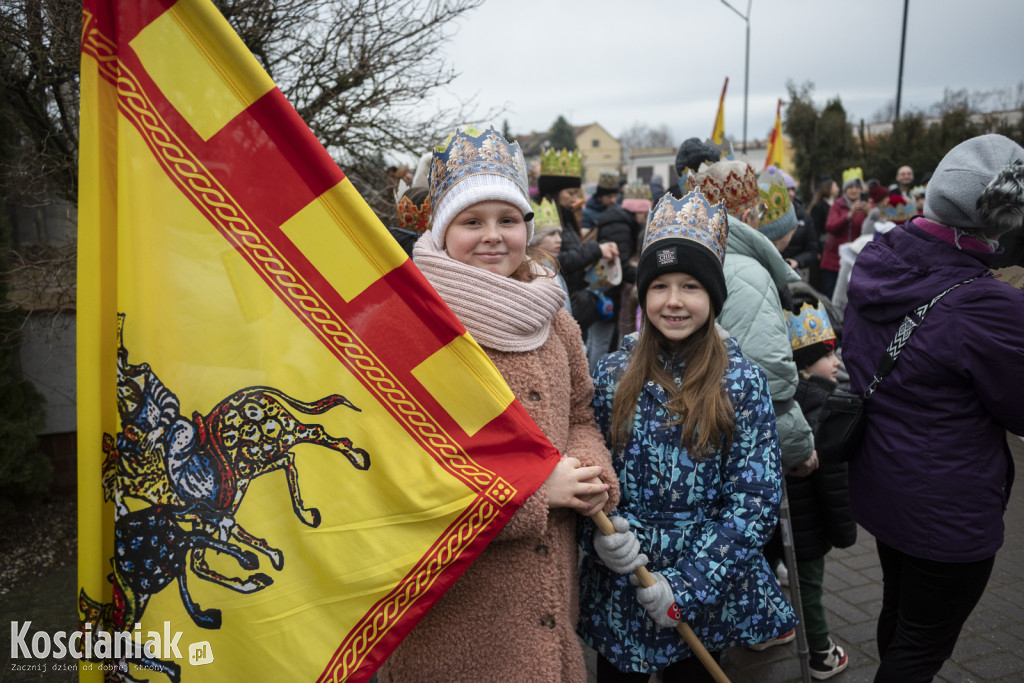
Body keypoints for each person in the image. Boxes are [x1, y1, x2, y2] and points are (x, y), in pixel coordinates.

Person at [379, 126, 619, 683]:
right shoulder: (415, 332)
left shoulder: (553, 316)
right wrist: (535, 493)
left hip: (551, 601)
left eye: (508, 220)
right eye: (472, 221)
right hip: (459, 619)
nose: (493, 236)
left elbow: (580, 414)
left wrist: (587, 471)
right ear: (443, 232)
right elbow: (404, 478)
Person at [578, 187, 797, 682]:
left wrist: (688, 585)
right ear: (643, 293)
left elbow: (754, 500)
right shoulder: (612, 373)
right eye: (660, 286)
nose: (674, 301)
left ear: (714, 297)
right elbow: (590, 462)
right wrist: (600, 535)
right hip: (623, 588)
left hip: (705, 597)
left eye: (691, 287)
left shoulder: (741, 382)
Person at [843, 134, 1024, 681]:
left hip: (884, 482)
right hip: (949, 506)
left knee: (901, 619)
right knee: (921, 647)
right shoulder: (986, 303)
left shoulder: (878, 255)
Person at [688, 157, 818, 481]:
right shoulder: (748, 275)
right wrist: (799, 446)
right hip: (739, 451)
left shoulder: (688, 261)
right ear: (748, 216)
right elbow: (770, 381)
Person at [773, 298, 857, 680]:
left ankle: (766, 631)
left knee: (765, 571)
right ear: (804, 366)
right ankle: (821, 653)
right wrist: (843, 530)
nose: (837, 361)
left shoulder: (781, 402)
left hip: (776, 518)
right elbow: (834, 482)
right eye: (828, 354)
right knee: (808, 587)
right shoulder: (826, 406)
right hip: (810, 526)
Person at [537, 148, 619, 337]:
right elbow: (556, 261)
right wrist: (595, 250)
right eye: (571, 193)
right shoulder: (545, 218)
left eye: (577, 193)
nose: (576, 199)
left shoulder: (568, 218)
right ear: (555, 193)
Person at [821, 168, 869, 298]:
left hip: (855, 258)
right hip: (833, 259)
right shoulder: (837, 205)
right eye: (850, 187)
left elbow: (874, 227)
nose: (854, 190)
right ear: (845, 190)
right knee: (830, 295)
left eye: (857, 187)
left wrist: (869, 213)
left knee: (850, 297)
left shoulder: (868, 205)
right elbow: (830, 227)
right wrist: (849, 215)